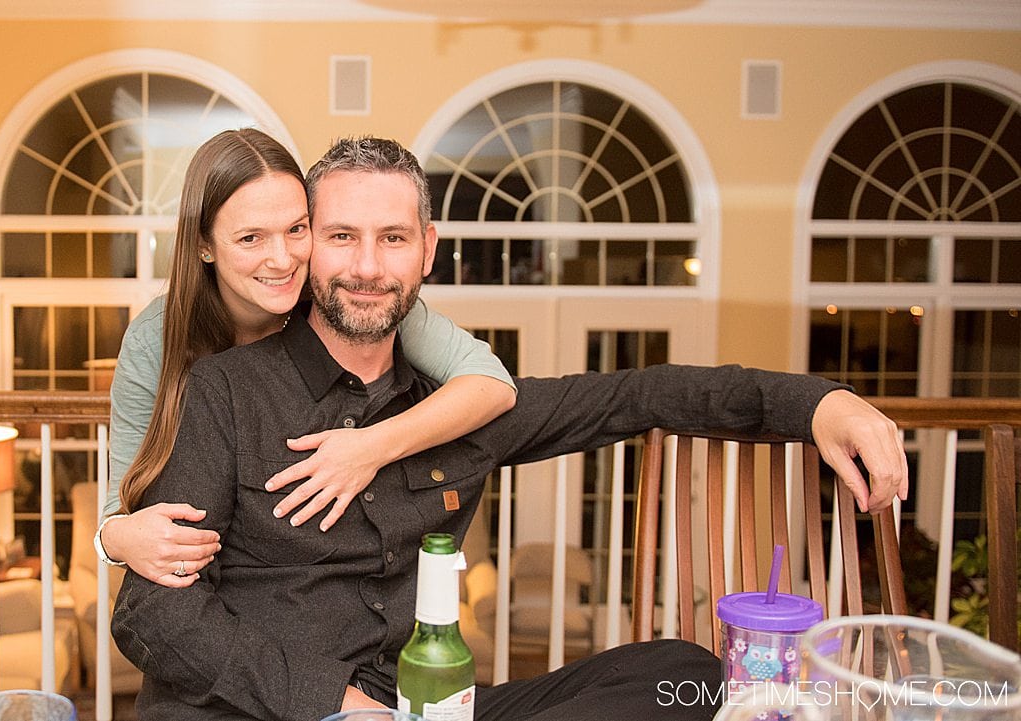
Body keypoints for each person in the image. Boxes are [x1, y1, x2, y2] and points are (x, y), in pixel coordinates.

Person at [112, 137, 907, 721]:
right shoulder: (219, 390)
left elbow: (641, 394)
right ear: (307, 248)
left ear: (427, 251)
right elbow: (153, 613)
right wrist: (339, 706)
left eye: (392, 238)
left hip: (424, 706)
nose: (366, 265)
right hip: (270, 708)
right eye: (341, 236)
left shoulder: (462, 407)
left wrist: (819, 404)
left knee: (687, 674)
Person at [97, 129, 517, 586]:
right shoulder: (154, 338)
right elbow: (118, 510)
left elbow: (489, 383)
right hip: (198, 578)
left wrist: (371, 447)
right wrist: (118, 540)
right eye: (251, 238)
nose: (281, 260)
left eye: (296, 230)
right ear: (204, 245)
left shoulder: (341, 300)